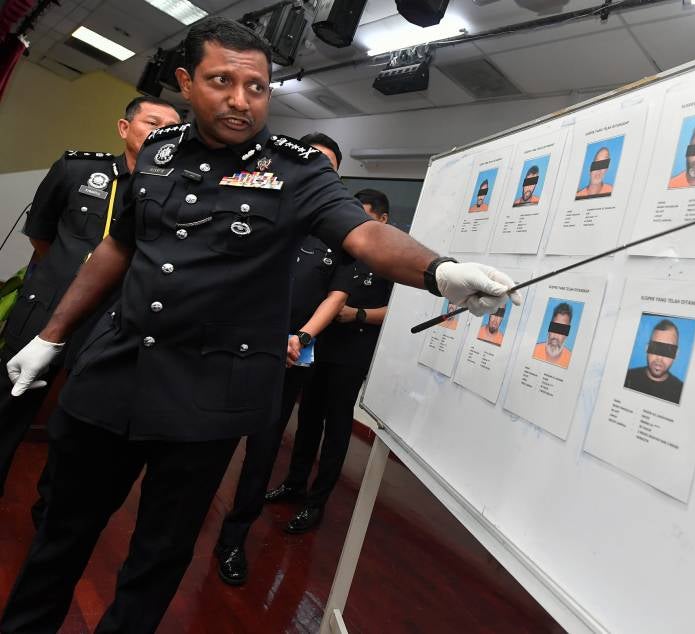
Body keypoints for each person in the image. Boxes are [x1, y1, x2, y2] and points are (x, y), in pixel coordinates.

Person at [0, 17, 518, 634]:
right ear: (187, 83)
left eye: (258, 86)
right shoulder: (159, 154)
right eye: (222, 81)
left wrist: (440, 271)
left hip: (207, 398)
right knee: (60, 537)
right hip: (115, 376)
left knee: (157, 560)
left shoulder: (295, 170)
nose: (242, 100)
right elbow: (119, 247)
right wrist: (49, 336)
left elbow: (366, 234)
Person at [0, 96, 180, 514]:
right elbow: (41, 235)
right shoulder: (78, 168)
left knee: (76, 425)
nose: (160, 134)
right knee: (10, 403)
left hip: (108, 324)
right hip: (46, 308)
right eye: (152, 122)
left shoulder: (171, 196)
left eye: (171, 129)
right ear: (124, 128)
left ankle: (49, 510)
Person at [213, 131, 349, 586]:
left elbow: (337, 295)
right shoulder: (259, 211)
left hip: (290, 358)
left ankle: (233, 539)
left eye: (327, 167)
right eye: (311, 161)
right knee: (208, 446)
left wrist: (302, 336)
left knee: (262, 453)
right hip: (232, 350)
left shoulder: (339, 232)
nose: (317, 172)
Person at [264, 188, 395, 537]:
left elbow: (397, 312)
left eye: (365, 216)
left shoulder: (388, 259)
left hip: (352, 354)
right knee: (307, 419)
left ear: (382, 220)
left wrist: (358, 314)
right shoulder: (339, 248)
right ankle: (294, 484)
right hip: (317, 348)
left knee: (337, 427)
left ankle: (316, 501)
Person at [623, 319, 684, 404]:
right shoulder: (626, 377)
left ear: (676, 355)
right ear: (647, 348)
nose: (659, 358)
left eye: (668, 350)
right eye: (655, 348)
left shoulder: (682, 393)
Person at [532, 302, 573, 368]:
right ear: (549, 329)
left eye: (562, 330)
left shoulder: (570, 361)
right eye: (555, 328)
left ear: (566, 334)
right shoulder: (533, 351)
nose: (556, 336)